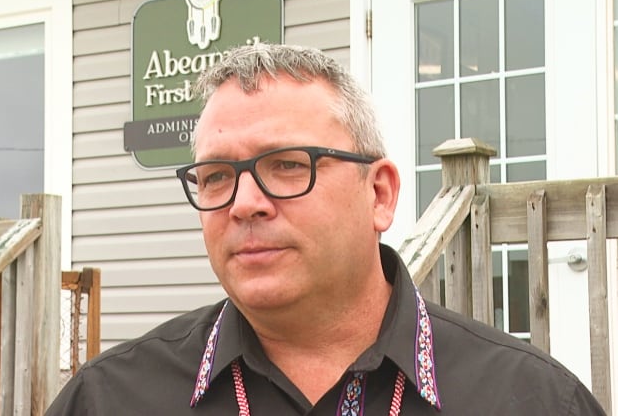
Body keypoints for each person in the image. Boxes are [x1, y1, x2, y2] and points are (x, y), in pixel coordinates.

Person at [46, 43, 606, 415]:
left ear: (379, 194)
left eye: (288, 165)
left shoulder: (530, 400)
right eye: (217, 176)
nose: (245, 204)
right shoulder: (110, 399)